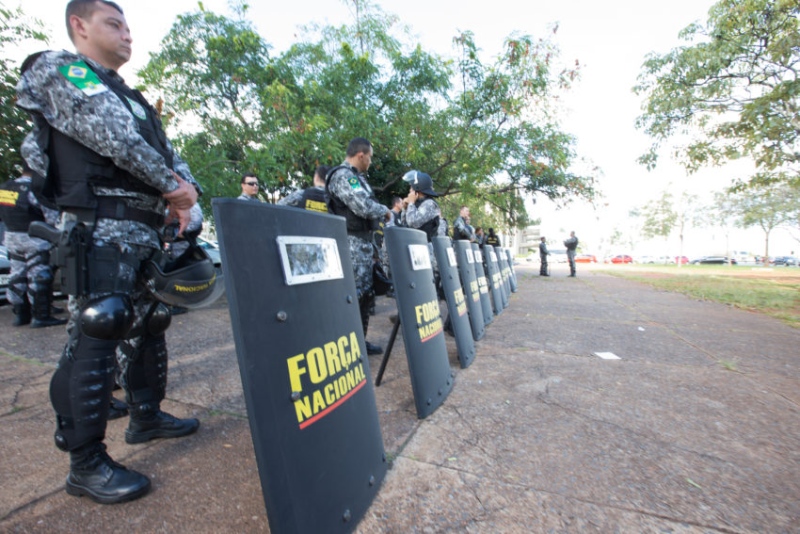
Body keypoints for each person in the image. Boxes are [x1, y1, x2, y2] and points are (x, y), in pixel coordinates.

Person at [17, 0, 205, 504]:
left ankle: (145, 416)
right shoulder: (62, 68)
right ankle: (85, 463)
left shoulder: (133, 97)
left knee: (149, 321)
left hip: (142, 231)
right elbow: (112, 137)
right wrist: (172, 187)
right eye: (113, 24)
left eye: (127, 25)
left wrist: (186, 199)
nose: (127, 34)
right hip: (98, 226)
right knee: (99, 326)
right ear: (79, 26)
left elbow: (172, 158)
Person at [325, 137, 390, 355]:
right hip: (349, 245)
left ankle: (359, 343)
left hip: (363, 245)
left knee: (365, 297)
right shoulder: (344, 176)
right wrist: (386, 211)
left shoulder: (358, 178)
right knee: (351, 298)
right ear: (361, 155)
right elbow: (363, 206)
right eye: (370, 157)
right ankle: (344, 348)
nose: (370, 162)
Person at [0, 165, 67, 327]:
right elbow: (51, 218)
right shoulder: (35, 188)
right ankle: (41, 316)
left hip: (11, 237)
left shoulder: (6, 188)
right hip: (34, 238)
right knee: (40, 277)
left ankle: (21, 315)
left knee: (17, 276)